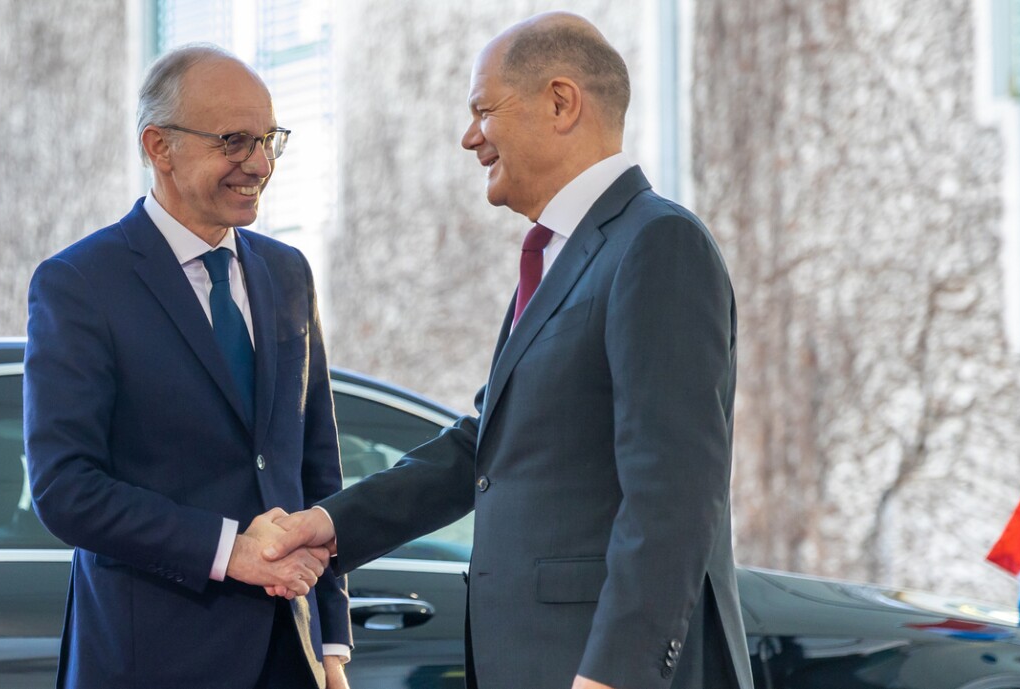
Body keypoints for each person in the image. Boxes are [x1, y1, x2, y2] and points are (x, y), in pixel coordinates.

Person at [264, 12, 753, 689]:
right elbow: (483, 447)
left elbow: (672, 494)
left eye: (483, 111)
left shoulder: (657, 244)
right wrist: (328, 524)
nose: (470, 138)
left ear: (560, 102)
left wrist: (613, 675)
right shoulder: (561, 256)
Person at [24, 44, 350, 689]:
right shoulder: (80, 283)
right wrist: (232, 551)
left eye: (268, 140)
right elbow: (66, 490)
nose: (259, 164)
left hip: (292, 656)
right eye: (234, 141)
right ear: (159, 146)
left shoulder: (287, 272)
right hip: (151, 660)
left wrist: (332, 644)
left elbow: (316, 469)